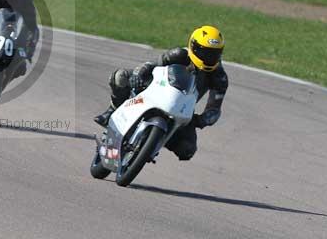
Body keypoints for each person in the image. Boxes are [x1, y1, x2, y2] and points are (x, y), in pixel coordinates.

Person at [93, 25, 228, 161]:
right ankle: (112, 110)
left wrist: (200, 120)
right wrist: (138, 76)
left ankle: (151, 146)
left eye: (214, 54)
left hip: (182, 108)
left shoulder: (219, 77)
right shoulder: (179, 54)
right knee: (120, 77)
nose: (209, 57)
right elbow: (151, 64)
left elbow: (215, 109)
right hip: (156, 88)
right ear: (193, 46)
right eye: (205, 52)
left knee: (187, 149)